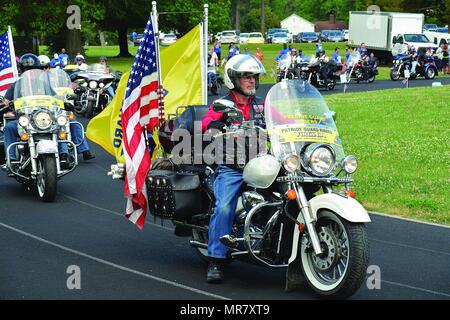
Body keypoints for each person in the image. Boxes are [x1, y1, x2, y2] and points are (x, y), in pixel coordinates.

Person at [201, 54, 266, 283]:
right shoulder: (224, 103)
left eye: (254, 77)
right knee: (225, 207)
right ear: (233, 80)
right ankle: (216, 259)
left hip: (262, 164)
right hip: (233, 167)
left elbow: (282, 120)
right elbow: (207, 122)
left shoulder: (261, 104)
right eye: (246, 77)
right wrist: (216, 124)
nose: (251, 81)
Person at [1, 53, 94, 166]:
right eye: (27, 69)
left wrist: (64, 103)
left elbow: (54, 97)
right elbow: (6, 100)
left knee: (59, 125)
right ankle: (12, 160)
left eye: (34, 69)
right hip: (25, 119)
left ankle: (63, 155)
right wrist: (7, 105)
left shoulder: (44, 84)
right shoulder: (17, 84)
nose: (30, 72)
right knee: (9, 127)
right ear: (22, 70)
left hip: (44, 118)